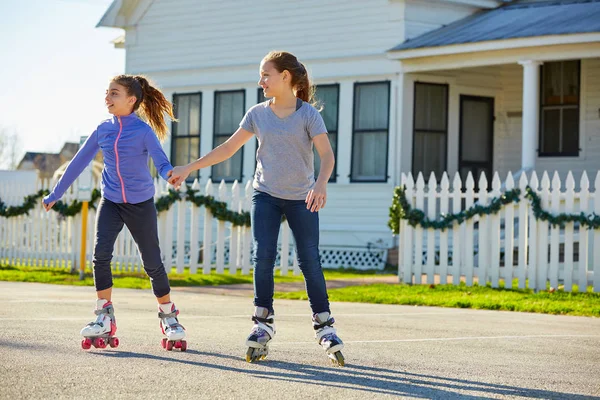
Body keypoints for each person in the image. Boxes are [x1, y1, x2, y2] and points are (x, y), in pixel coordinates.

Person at [169, 51, 344, 365]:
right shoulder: (257, 113)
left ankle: (325, 325)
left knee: (309, 260)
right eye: (261, 75)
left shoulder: (308, 115)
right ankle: (262, 322)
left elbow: (327, 155)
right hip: (265, 195)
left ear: (286, 77)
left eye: (267, 75)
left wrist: (321, 183)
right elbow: (228, 148)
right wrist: (190, 167)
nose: (261, 81)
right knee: (263, 255)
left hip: (303, 197)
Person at [43, 75, 187, 351]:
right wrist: (55, 194)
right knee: (100, 256)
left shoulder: (144, 131)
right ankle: (103, 315)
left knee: (152, 262)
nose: (107, 98)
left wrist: (170, 174)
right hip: (110, 201)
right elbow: (78, 163)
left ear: (131, 100)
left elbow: (160, 160)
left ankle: (169, 316)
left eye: (114, 93)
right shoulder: (102, 129)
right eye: (107, 93)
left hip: (140, 203)